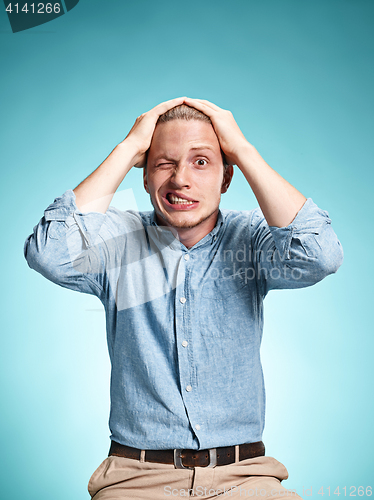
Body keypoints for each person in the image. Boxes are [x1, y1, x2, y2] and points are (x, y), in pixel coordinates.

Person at [24, 97, 344, 499]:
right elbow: (49, 253)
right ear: (143, 177)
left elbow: (322, 255)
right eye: (164, 163)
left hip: (245, 477)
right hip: (136, 479)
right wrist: (126, 149)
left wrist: (243, 151)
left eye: (201, 162)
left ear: (226, 178)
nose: (180, 179)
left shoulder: (252, 239)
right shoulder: (118, 242)